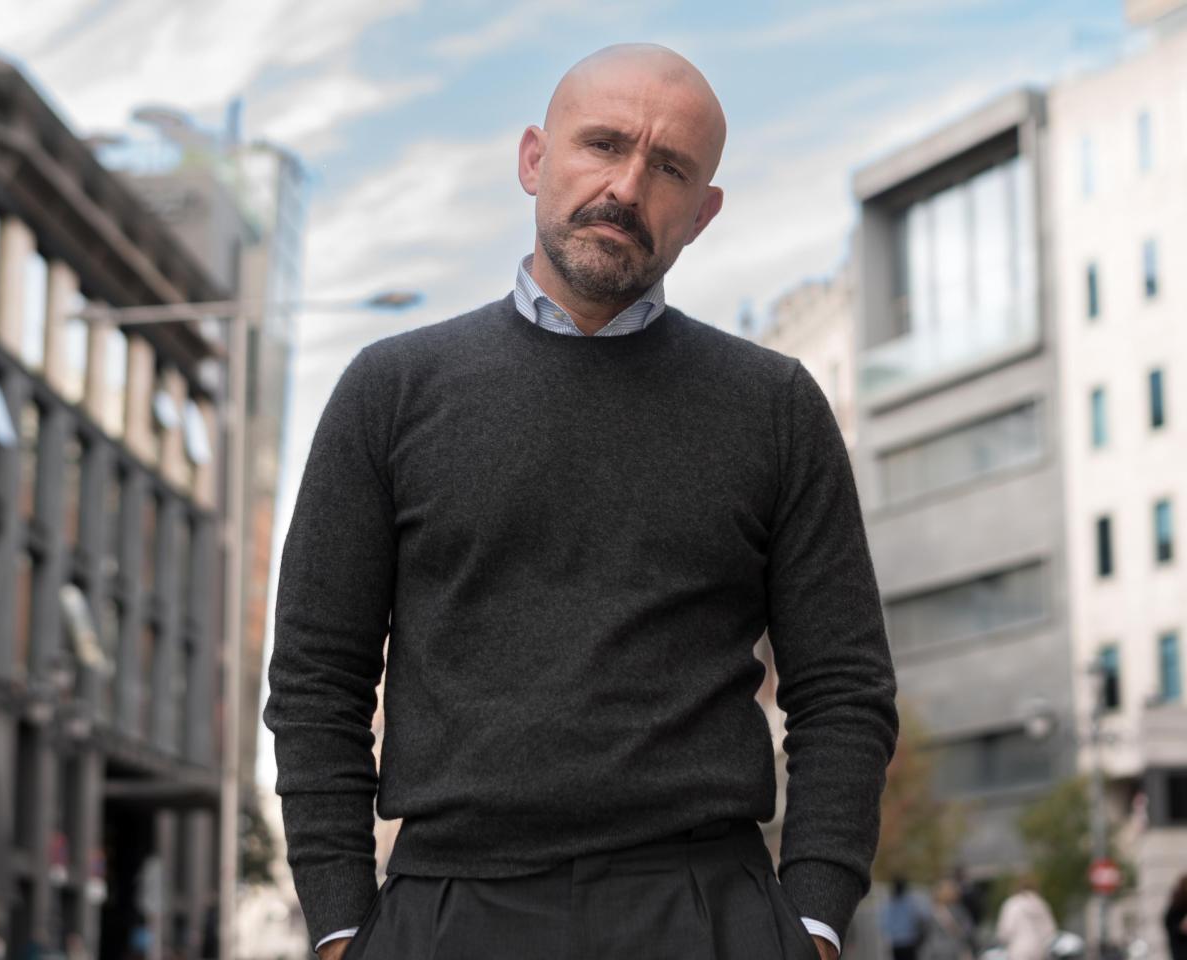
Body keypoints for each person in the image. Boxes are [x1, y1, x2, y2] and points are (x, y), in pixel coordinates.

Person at [265, 41, 898, 960]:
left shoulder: (774, 406)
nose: (627, 187)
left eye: (669, 166)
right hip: (447, 909)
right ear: (534, 160)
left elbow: (844, 688)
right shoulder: (390, 391)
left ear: (704, 212)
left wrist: (812, 923)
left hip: (707, 912)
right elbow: (318, 677)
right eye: (603, 145)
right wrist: (338, 926)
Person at [995, 874, 1057, 960]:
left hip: (1018, 950)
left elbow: (1005, 930)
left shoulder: (1012, 904)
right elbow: (1051, 930)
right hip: (1039, 951)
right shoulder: (1041, 904)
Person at [920, 880, 976, 960]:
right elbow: (969, 931)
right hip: (955, 950)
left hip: (935, 952)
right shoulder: (960, 911)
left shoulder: (931, 912)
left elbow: (924, 933)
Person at [881, 876, 929, 960]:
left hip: (896, 942)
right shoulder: (910, 901)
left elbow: (884, 923)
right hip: (910, 941)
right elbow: (922, 916)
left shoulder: (889, 904)